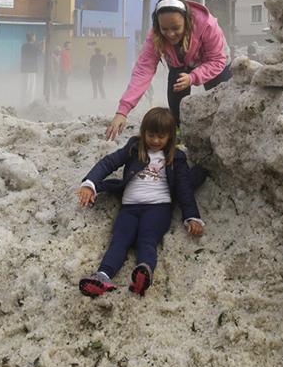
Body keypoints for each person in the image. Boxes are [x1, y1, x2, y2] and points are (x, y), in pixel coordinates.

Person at [77, 107, 204, 297]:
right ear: (143, 132)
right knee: (119, 240)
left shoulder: (176, 157)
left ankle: (143, 273)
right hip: (129, 208)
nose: (155, 141)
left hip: (158, 209)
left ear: (170, 136)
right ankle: (103, 276)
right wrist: (90, 183)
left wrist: (192, 216)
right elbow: (108, 163)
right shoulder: (134, 148)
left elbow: (184, 189)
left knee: (147, 240)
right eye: (151, 135)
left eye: (161, 137)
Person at [105, 0, 229, 140]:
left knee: (221, 98)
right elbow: (143, 71)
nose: (170, 34)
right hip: (180, 63)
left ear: (187, 21)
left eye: (176, 28)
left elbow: (217, 60)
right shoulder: (155, 36)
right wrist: (122, 111)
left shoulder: (207, 25)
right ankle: (178, 133)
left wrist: (193, 77)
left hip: (214, 62)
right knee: (177, 86)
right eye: (165, 29)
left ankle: (223, 134)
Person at [20, 33, 41, 105]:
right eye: (34, 36)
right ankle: (30, 102)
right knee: (31, 86)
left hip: (24, 69)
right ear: (32, 37)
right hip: (32, 69)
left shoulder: (24, 46)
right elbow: (40, 53)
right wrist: (44, 45)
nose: (35, 37)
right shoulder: (33, 46)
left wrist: (38, 45)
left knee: (25, 85)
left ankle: (23, 101)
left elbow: (32, 49)